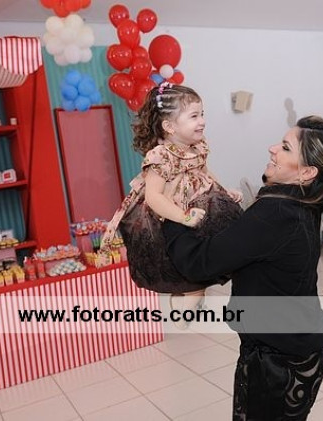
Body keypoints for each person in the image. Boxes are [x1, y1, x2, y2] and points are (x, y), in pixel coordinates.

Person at [164, 116, 323, 420]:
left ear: (307, 172)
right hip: (296, 348)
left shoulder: (277, 212)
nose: (273, 148)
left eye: (285, 147)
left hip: (279, 362)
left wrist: (171, 216)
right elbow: (246, 254)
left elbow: (199, 263)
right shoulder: (299, 202)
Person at [102, 82, 243, 326]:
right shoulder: (161, 155)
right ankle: (184, 308)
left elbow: (204, 171)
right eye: (194, 116)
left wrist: (223, 190)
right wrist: (182, 216)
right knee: (188, 275)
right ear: (169, 126)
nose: (202, 121)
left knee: (208, 260)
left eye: (202, 114)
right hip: (170, 214)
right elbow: (154, 196)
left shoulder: (198, 145)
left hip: (199, 207)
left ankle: (185, 300)